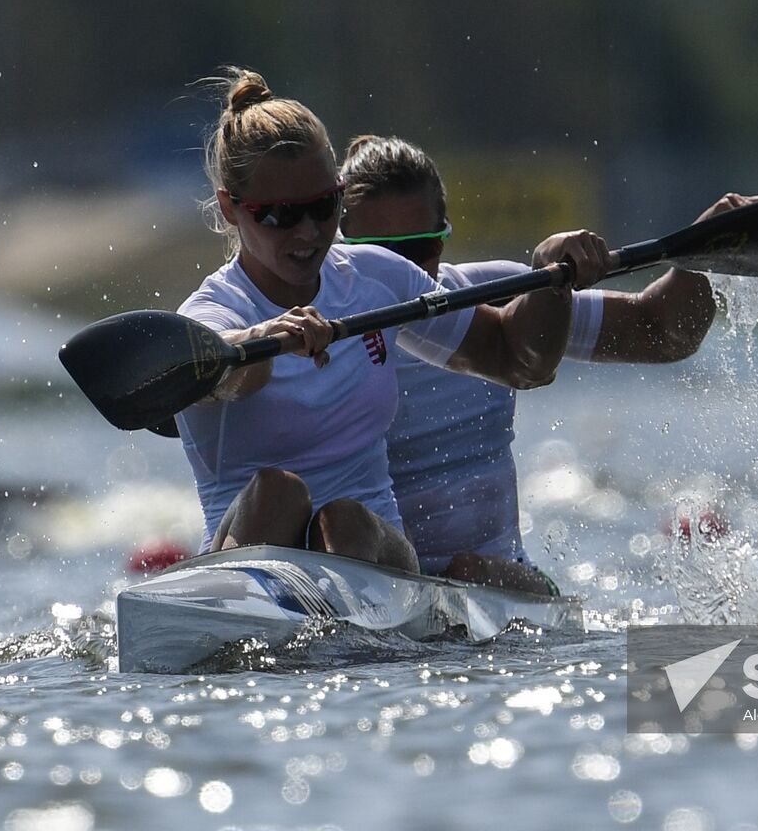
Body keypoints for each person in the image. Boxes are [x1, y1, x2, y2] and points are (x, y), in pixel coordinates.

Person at [174, 69, 613, 576]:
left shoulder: (375, 277)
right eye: (279, 216)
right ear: (231, 208)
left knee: (343, 521)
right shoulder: (213, 313)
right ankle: (260, 619)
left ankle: (333, 631)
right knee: (277, 490)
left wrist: (551, 276)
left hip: (378, 557)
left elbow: (519, 362)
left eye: (324, 206)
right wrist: (260, 341)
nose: (310, 232)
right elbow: (220, 369)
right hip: (250, 558)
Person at [339, 134, 758, 594]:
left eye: (420, 249)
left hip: (498, 581)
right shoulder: (310, 330)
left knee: (466, 573)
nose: (402, 271)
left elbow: (662, 332)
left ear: (445, 235)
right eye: (375, 253)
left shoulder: (495, 294)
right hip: (374, 578)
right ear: (338, 244)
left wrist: (710, 246)